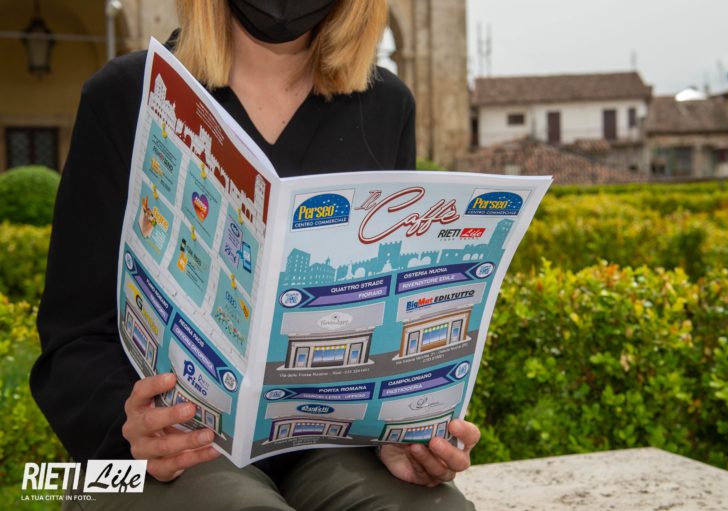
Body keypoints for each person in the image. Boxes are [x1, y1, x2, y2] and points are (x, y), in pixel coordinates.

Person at [31, 1, 480, 509]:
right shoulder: (126, 92)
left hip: (327, 447)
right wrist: (126, 422)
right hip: (153, 453)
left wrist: (402, 432)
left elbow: (387, 324)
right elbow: (72, 338)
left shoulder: (386, 106)